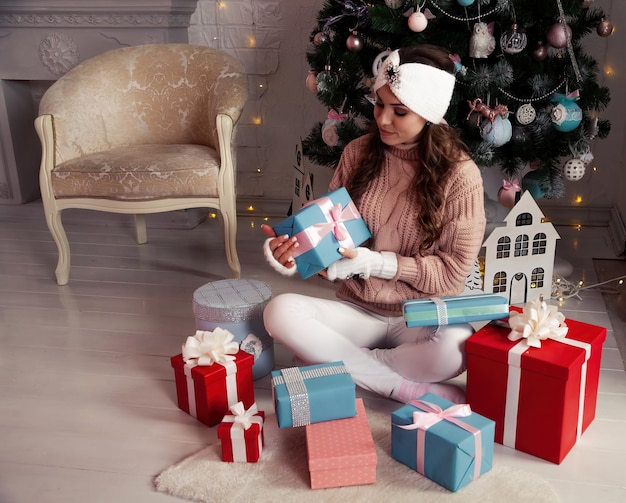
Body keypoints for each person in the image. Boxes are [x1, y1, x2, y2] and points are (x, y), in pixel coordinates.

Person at [261, 45, 486, 404]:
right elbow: (333, 243)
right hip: (357, 310)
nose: (382, 120)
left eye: (399, 111)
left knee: (457, 347)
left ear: (428, 113)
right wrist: (298, 251)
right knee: (279, 311)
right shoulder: (358, 153)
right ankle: (397, 386)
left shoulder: (461, 175)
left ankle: (340, 362)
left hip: (419, 316)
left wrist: (377, 263)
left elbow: (453, 273)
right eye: (379, 104)